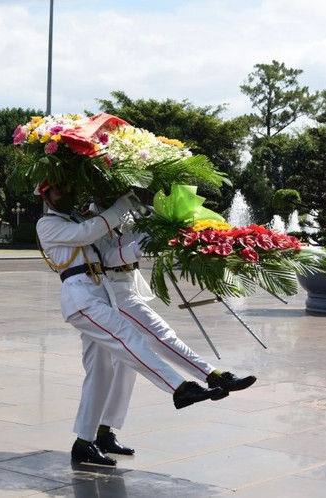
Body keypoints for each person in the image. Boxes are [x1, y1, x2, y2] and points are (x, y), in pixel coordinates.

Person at [35, 181, 224, 466]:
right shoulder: (47, 224)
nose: (66, 195)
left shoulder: (79, 219)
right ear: (46, 197)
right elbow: (86, 233)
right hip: (81, 297)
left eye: (68, 189)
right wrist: (121, 205)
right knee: (129, 337)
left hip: (101, 293)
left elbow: (109, 252)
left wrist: (153, 234)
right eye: (59, 191)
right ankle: (180, 388)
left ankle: (84, 441)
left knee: (101, 374)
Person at [83, 200, 257, 457]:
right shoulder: (92, 218)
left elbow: (137, 239)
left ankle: (104, 432)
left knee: (125, 370)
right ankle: (212, 374)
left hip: (127, 289)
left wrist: (164, 229)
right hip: (110, 293)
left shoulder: (132, 212)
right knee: (160, 335)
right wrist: (143, 242)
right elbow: (105, 256)